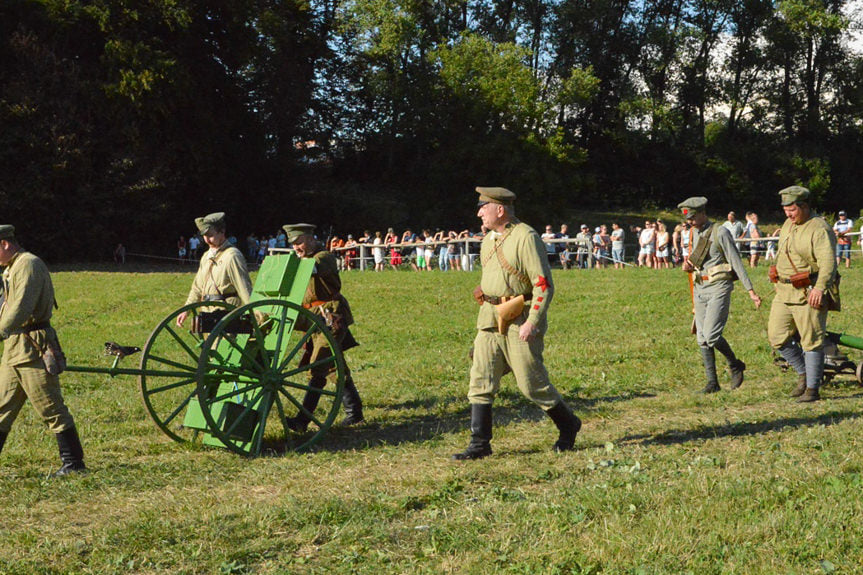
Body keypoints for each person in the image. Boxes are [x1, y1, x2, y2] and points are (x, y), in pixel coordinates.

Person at [452, 187, 581, 460]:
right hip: (489, 318)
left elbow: (543, 284)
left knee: (531, 383)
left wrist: (532, 321)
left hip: (519, 319)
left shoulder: (526, 237)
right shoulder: (488, 240)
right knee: (480, 380)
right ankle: (480, 444)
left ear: (500, 209)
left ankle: (569, 424)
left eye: (483, 207)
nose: (479, 213)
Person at [0, 225, 86, 475]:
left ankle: (74, 464)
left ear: (5, 244)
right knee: (2, 408)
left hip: (33, 348)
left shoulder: (28, 264)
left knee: (50, 407)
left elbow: (19, 309)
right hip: (13, 350)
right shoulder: (11, 268)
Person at [282, 224, 364, 428]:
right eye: (292, 244)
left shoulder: (323, 257)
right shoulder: (304, 258)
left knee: (318, 364)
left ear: (311, 239)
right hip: (312, 318)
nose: (296, 247)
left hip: (330, 317)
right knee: (333, 365)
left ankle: (303, 420)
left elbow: (312, 268)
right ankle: (355, 412)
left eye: (299, 242)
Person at [678, 197, 762, 393]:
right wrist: (687, 266)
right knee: (701, 338)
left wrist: (751, 291)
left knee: (712, 335)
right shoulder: (692, 233)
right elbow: (694, 261)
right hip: (700, 287)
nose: (689, 222)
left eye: (692, 218)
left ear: (702, 212)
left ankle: (735, 364)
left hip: (719, 286)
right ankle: (712, 383)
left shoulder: (720, 232)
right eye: (687, 219)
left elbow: (736, 262)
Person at [767, 186, 839, 402]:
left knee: (811, 341)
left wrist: (819, 288)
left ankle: (812, 389)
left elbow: (828, 263)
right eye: (786, 210)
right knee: (777, 336)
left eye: (792, 210)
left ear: (805, 206)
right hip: (784, 291)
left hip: (808, 291)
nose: (788, 215)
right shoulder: (788, 225)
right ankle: (804, 372)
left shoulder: (819, 228)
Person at [175, 213, 254, 328]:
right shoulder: (206, 256)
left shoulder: (232, 256)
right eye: (204, 236)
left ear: (222, 232)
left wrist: (257, 316)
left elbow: (244, 289)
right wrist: (186, 310)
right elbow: (197, 287)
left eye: (210, 235)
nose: (207, 240)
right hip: (207, 313)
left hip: (226, 314)